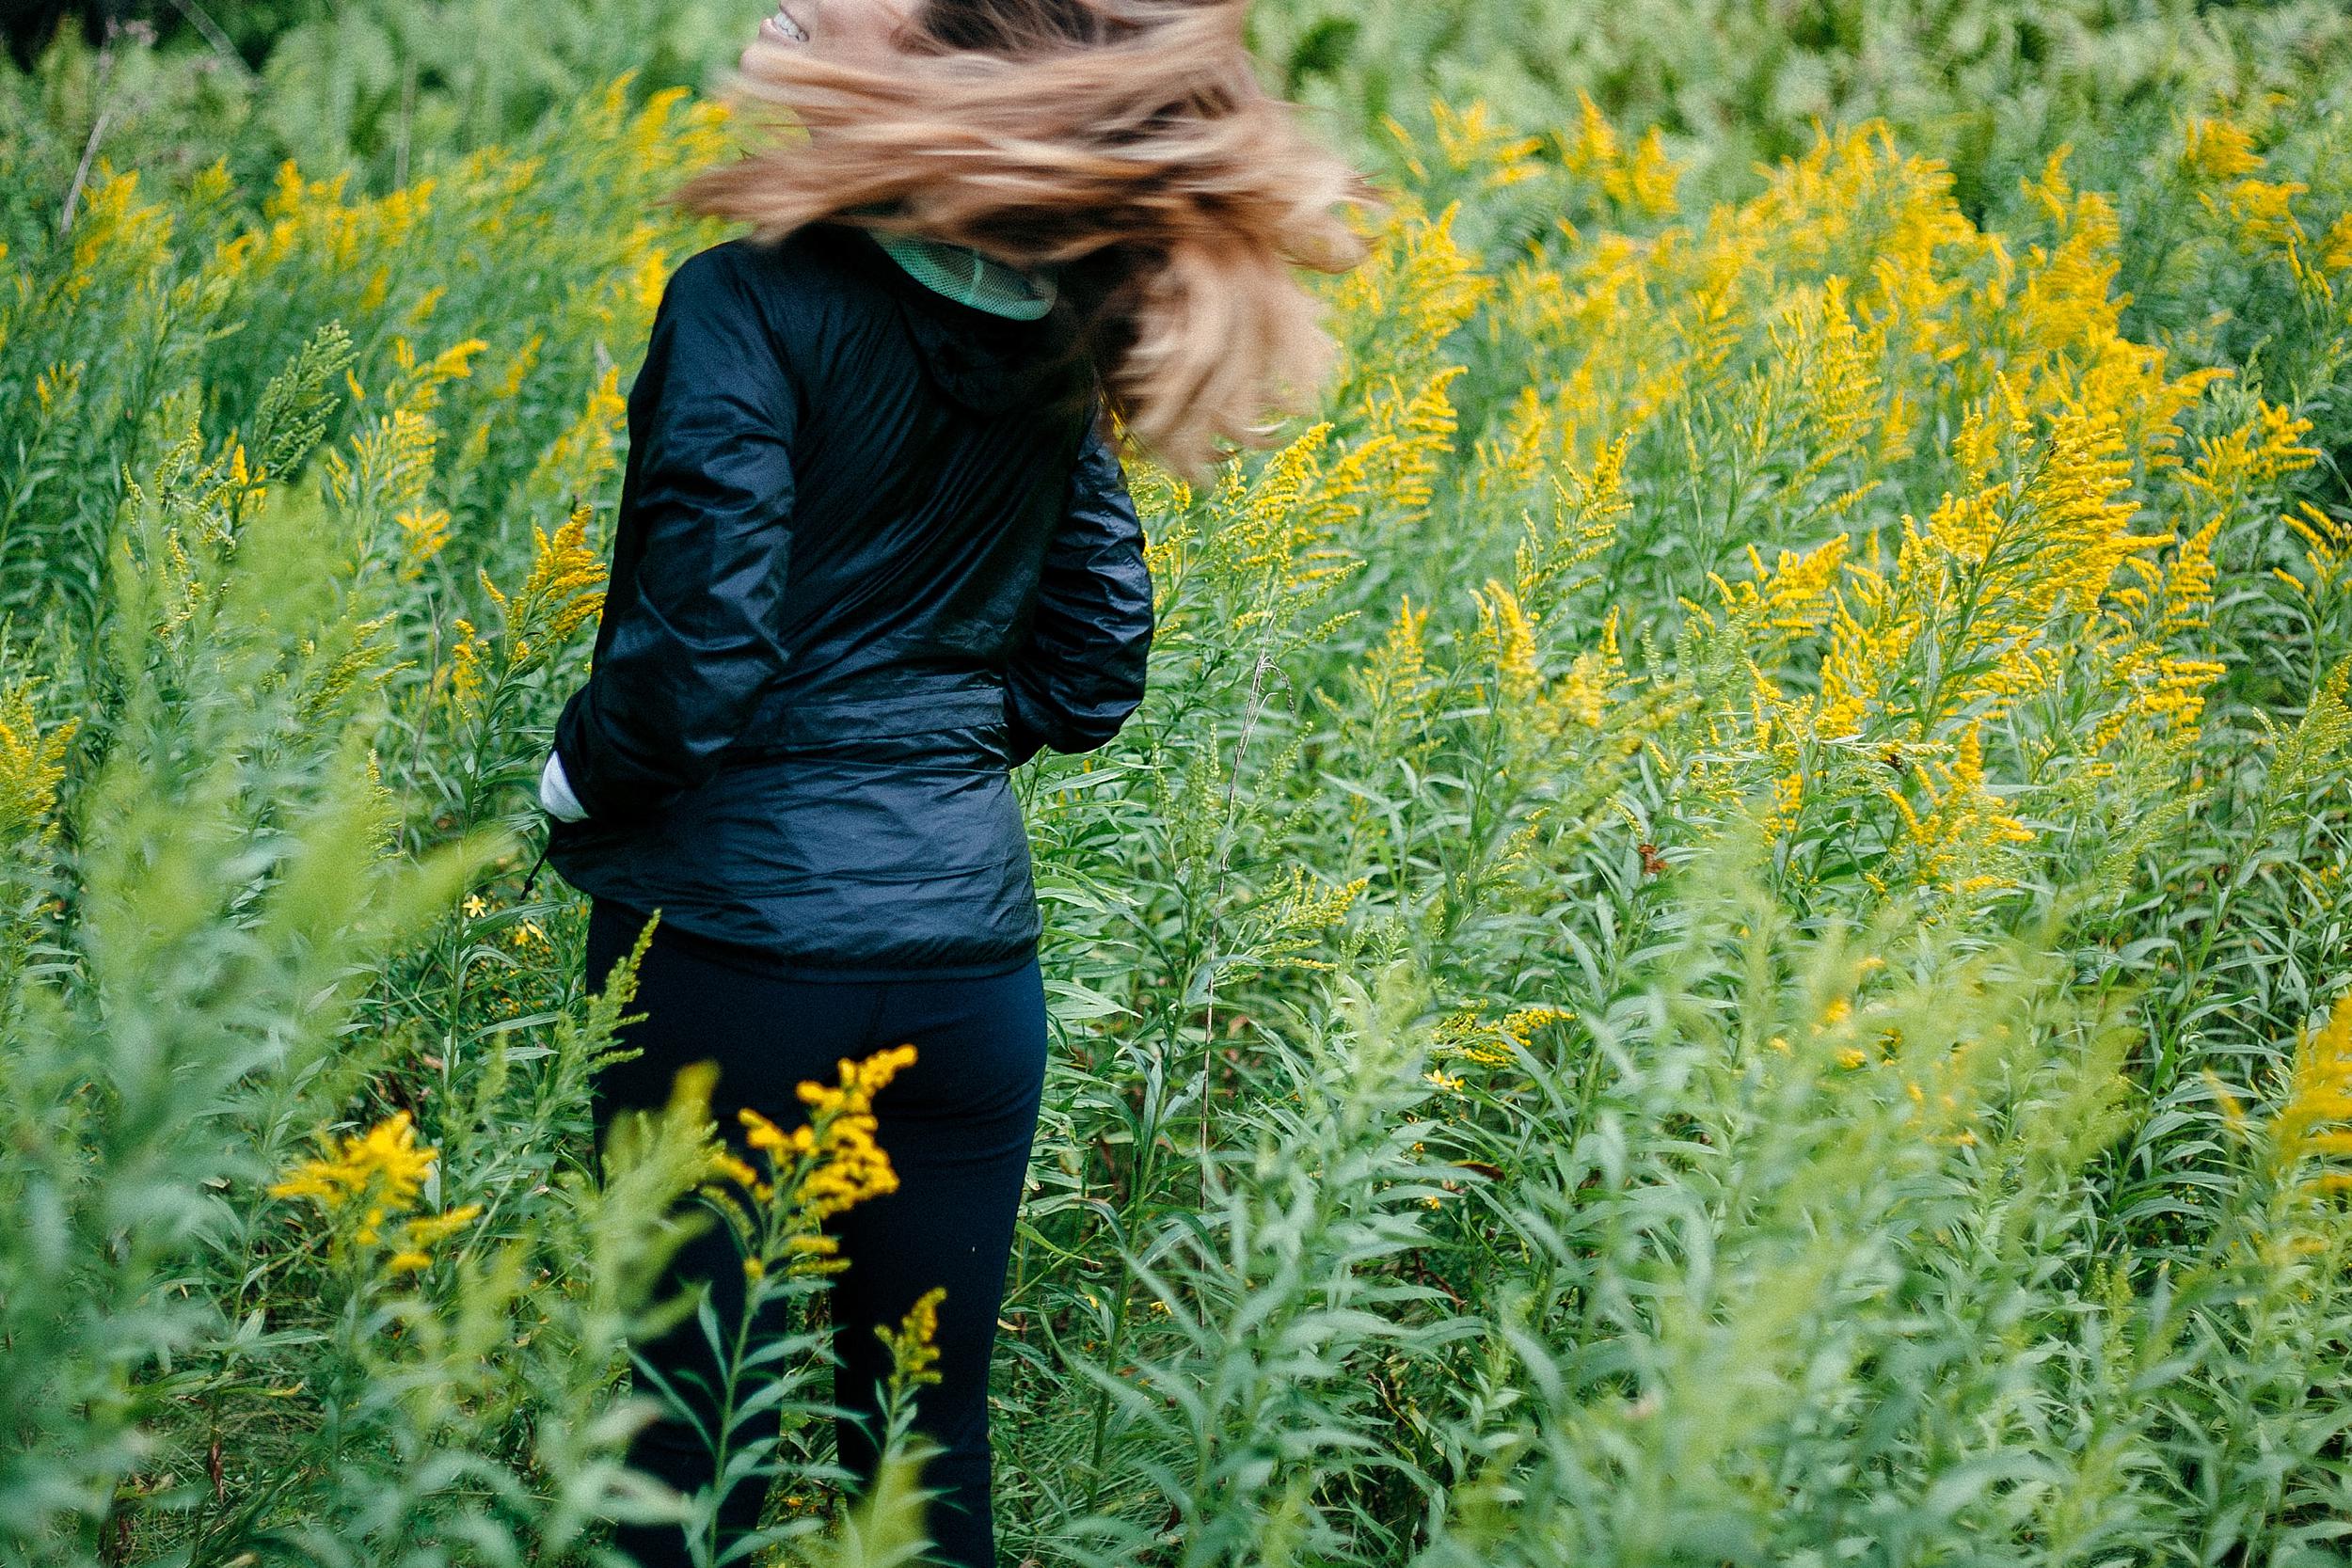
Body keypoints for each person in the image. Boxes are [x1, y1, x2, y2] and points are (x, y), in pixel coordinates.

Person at [538, 3, 1376, 1562]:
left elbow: (696, 659)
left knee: (671, 1440)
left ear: (926, 45)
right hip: (969, 976)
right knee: (921, 1455)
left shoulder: (742, 303)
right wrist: (913, 751)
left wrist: (571, 789)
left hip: (734, 957)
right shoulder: (1053, 338)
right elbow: (1092, 664)